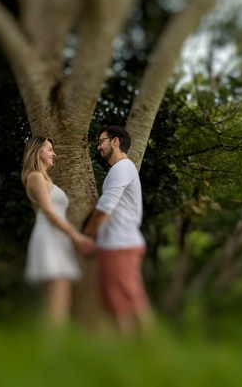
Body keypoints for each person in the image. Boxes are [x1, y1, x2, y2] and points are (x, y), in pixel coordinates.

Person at [82, 126, 155, 335]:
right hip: (115, 245)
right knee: (119, 305)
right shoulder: (122, 169)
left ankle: (156, 351)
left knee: (132, 301)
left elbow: (104, 209)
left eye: (101, 141)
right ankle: (130, 354)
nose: (98, 147)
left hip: (120, 245)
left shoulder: (121, 168)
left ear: (115, 141)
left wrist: (86, 235)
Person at [22, 136, 95, 328]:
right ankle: (53, 351)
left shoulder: (44, 178)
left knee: (61, 301)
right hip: (49, 238)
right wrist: (76, 236)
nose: (54, 153)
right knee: (57, 302)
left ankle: (54, 348)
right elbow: (48, 211)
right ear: (38, 152)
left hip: (57, 239)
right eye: (49, 149)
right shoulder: (35, 176)